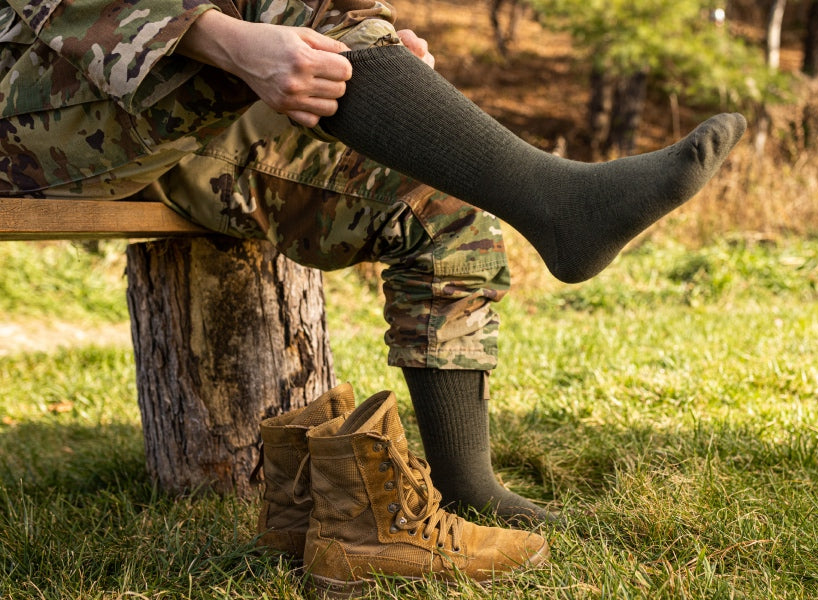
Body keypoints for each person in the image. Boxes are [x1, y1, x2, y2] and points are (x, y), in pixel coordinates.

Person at [1, 0, 746, 591]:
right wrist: (240, 42)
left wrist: (382, 73)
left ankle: (466, 487)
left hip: (171, 120)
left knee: (440, 196)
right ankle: (561, 203)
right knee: (312, 14)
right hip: (34, 101)